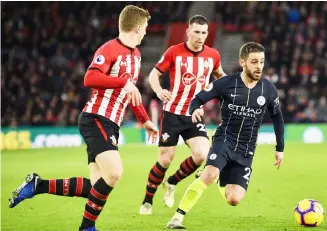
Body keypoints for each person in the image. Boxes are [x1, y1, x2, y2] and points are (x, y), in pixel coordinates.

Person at [8, 5, 158, 231]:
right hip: (96, 117)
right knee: (114, 172)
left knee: (96, 187)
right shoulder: (109, 49)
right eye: (145, 27)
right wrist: (122, 82)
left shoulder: (136, 55)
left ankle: (37, 185)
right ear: (137, 27)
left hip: (112, 123)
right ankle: (86, 228)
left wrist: (145, 119)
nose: (146, 31)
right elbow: (90, 77)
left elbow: (130, 92)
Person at [166, 42, 285, 229]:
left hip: (246, 149)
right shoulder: (226, 83)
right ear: (243, 62)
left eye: (261, 62)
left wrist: (280, 148)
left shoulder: (268, 89)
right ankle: (177, 218)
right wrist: (195, 108)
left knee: (234, 199)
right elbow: (198, 98)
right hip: (224, 140)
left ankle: (215, 177)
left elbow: (278, 117)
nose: (259, 66)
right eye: (254, 62)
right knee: (210, 174)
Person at [139, 15, 226, 215]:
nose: (200, 36)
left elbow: (221, 76)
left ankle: (171, 182)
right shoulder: (174, 52)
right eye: (196, 32)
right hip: (172, 113)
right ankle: (147, 201)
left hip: (194, 114)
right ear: (188, 31)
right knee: (165, 159)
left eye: (204, 32)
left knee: (202, 154)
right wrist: (159, 90)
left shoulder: (213, 55)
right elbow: (154, 74)